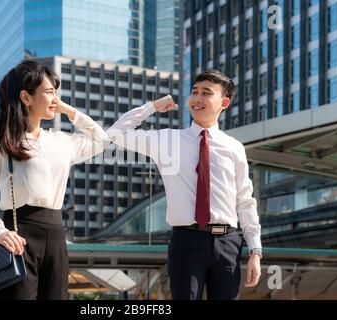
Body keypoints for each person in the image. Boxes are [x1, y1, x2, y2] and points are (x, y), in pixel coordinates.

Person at [107, 69, 262, 300]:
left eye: (206, 93)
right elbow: (116, 133)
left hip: (228, 242)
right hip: (186, 241)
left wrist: (255, 251)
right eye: (194, 92)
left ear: (224, 102)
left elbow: (245, 200)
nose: (197, 98)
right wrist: (151, 107)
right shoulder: (168, 140)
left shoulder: (234, 147)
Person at [0, 60, 109, 300]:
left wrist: (69, 111)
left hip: (56, 235)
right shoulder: (0, 142)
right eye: (49, 92)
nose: (55, 98)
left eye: (56, 92)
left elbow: (102, 140)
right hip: (18, 234)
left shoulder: (60, 141)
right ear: (26, 97)